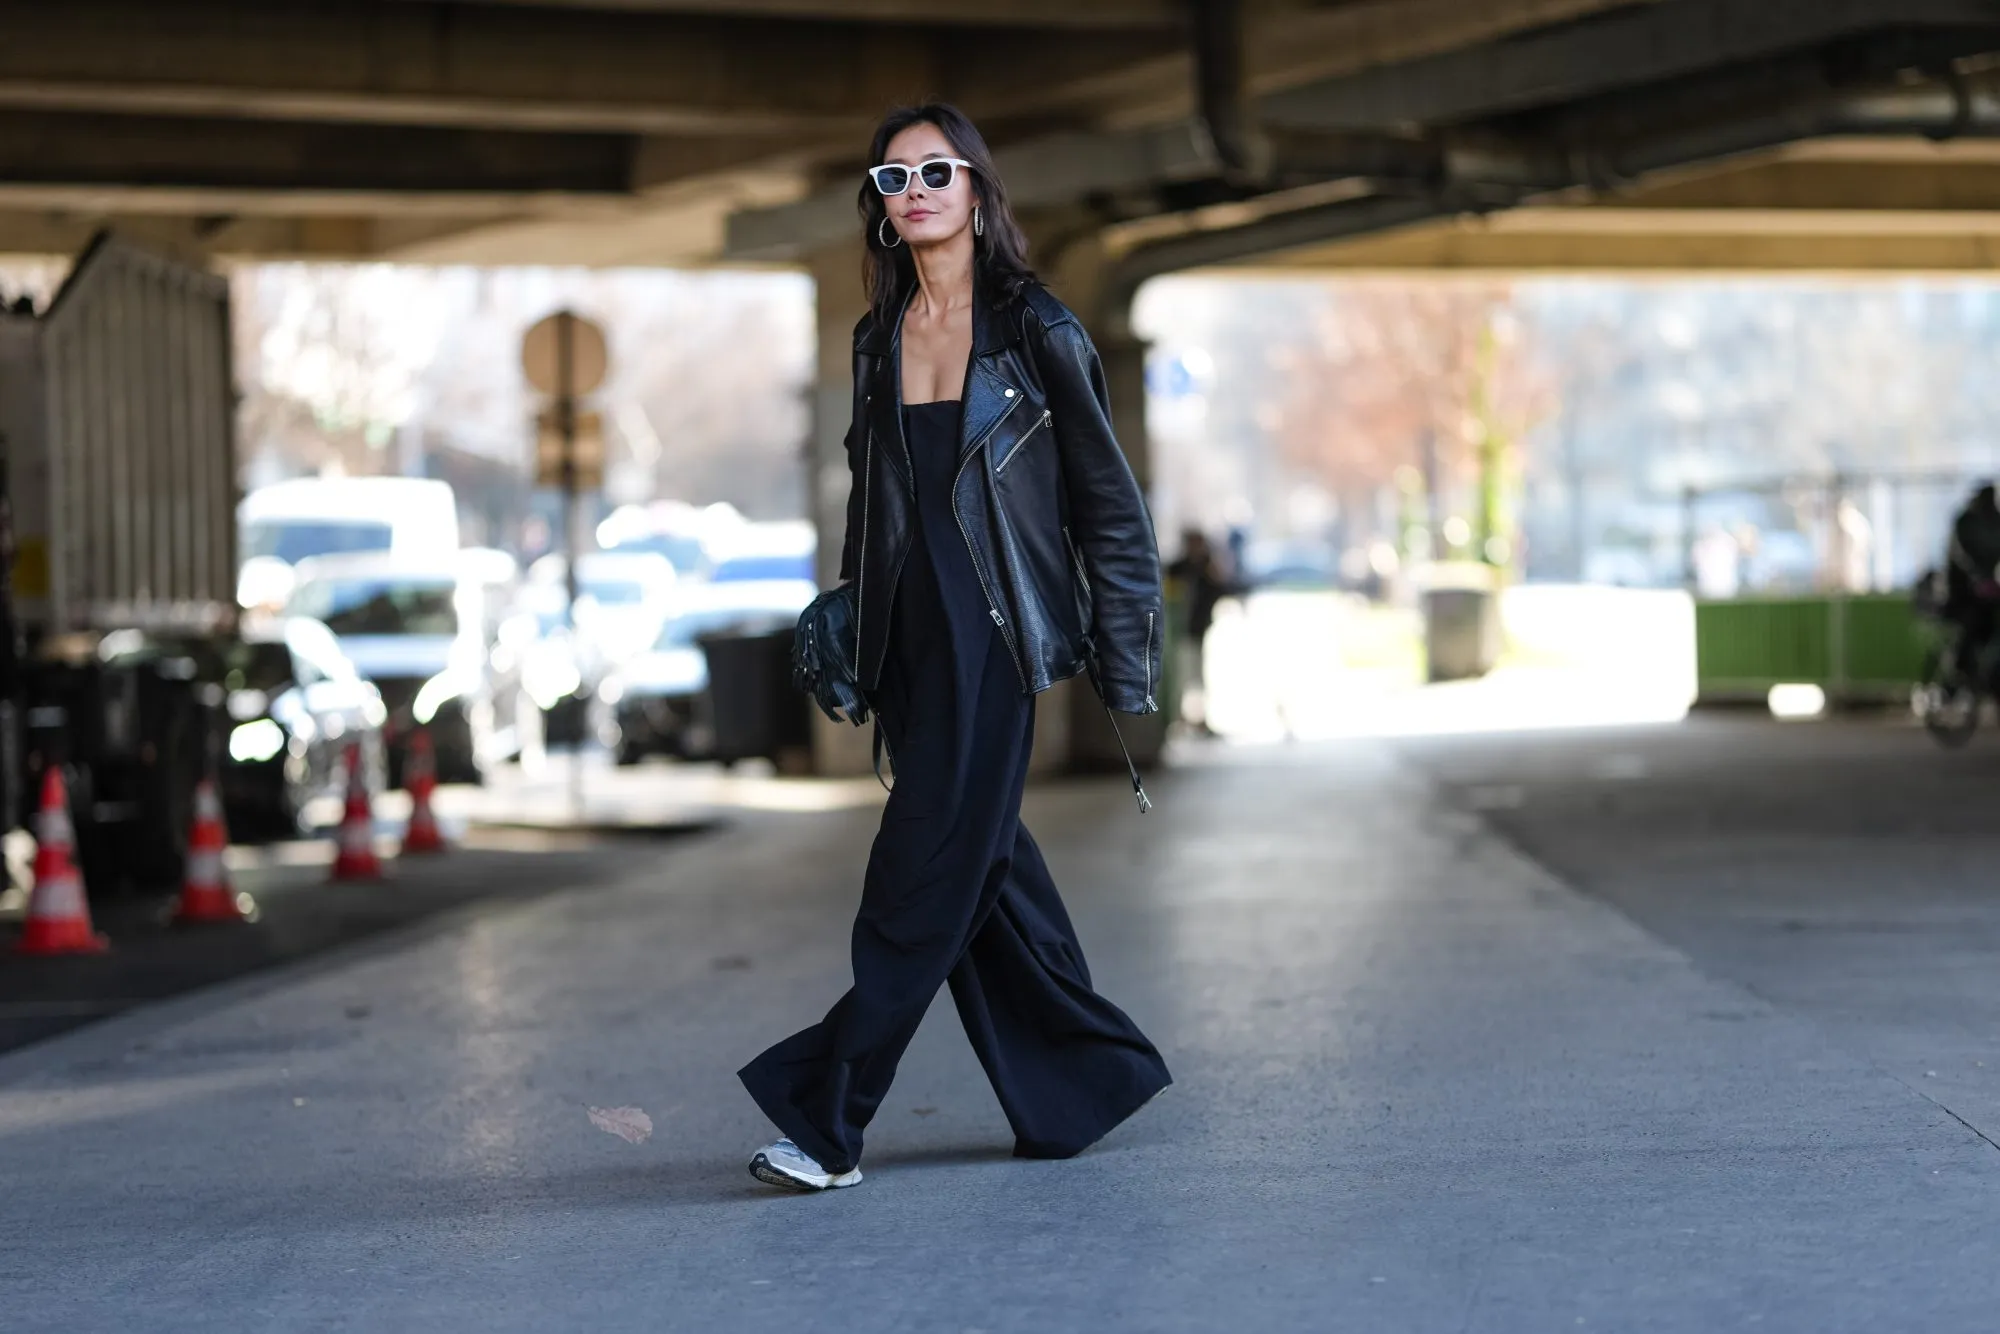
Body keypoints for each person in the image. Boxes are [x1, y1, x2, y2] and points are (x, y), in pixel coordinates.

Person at [737, 104, 1172, 1191]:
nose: (916, 189)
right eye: (893, 178)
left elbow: (1109, 511)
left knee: (914, 874)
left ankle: (826, 1113)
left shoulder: (1037, 331)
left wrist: (1126, 663)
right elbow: (871, 495)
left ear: (977, 191)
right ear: (881, 212)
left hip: (991, 633)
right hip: (909, 642)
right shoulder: (876, 338)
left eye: (936, 170)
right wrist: (848, 611)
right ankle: (1085, 1078)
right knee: (983, 871)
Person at [1165, 528, 1231, 733]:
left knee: (1198, 677)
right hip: (1179, 631)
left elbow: (1221, 589)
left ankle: (1200, 719)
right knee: (1181, 676)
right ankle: (1178, 719)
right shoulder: (1178, 568)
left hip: (1198, 629)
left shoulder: (1207, 568)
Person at [1946, 483, 2000, 680]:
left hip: (1988, 595)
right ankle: (1962, 670)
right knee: (1971, 628)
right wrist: (1978, 579)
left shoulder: (1993, 522)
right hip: (1962, 595)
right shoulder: (1966, 522)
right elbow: (1962, 557)